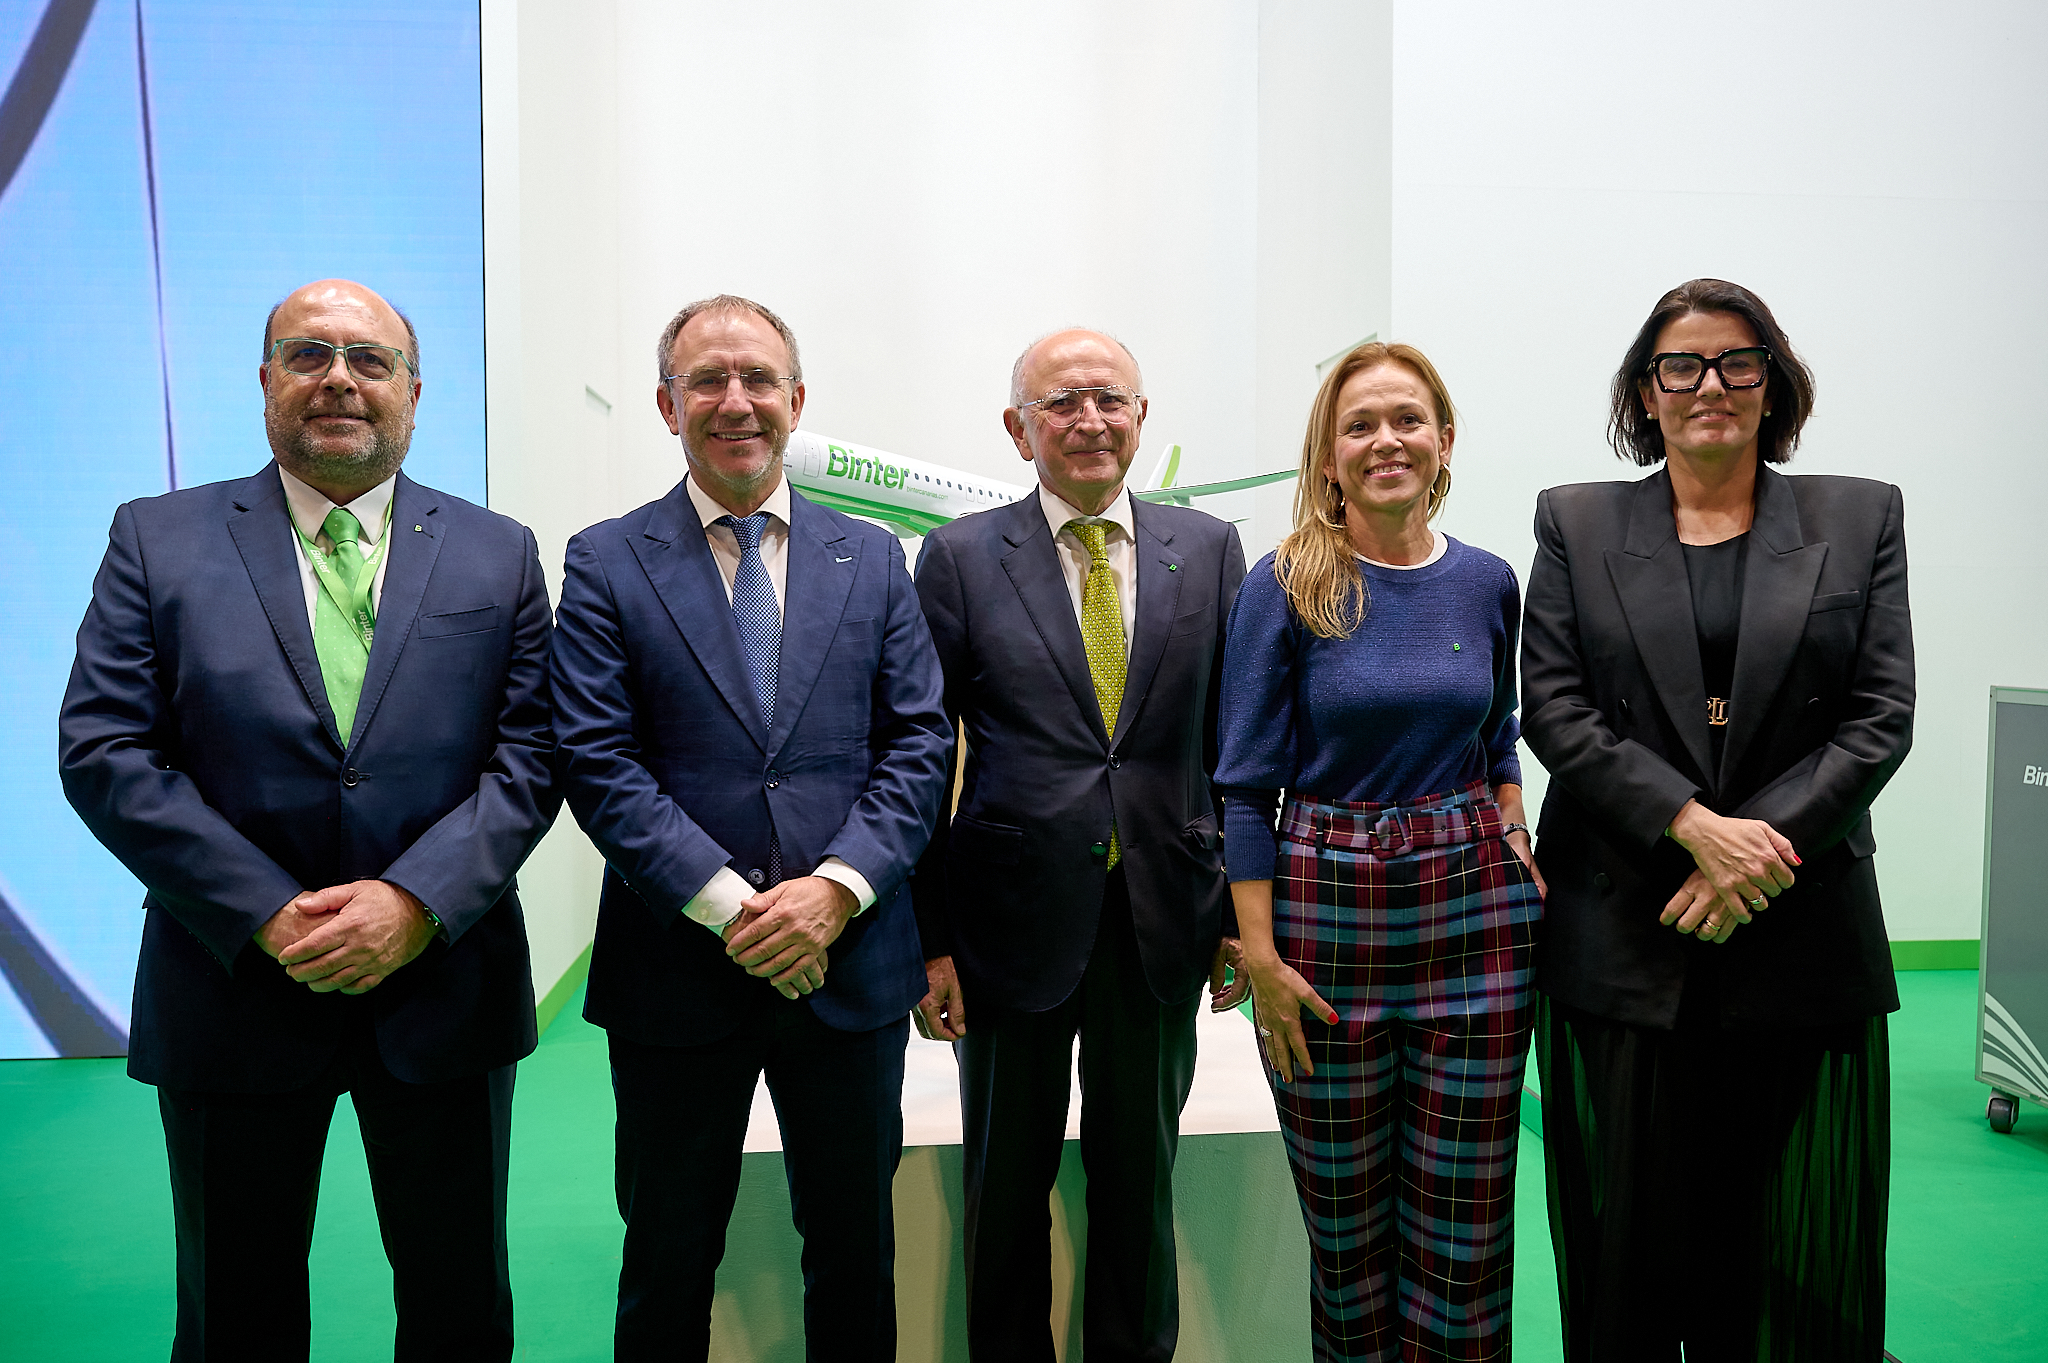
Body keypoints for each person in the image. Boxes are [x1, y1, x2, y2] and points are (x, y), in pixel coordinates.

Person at [58, 279, 558, 1361]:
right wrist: (268, 911)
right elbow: (105, 750)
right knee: (235, 1312)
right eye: (308, 354)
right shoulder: (156, 538)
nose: (339, 378)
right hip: (231, 983)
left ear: (413, 392)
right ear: (266, 381)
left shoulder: (499, 551)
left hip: (443, 985)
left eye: (370, 360)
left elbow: (531, 757)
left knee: (458, 1303)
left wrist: (416, 901)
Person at [549, 294, 951, 1363]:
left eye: (758, 379)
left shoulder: (872, 557)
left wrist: (836, 888)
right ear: (666, 404)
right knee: (668, 1255)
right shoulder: (605, 560)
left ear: (796, 400)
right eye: (707, 381)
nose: (735, 401)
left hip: (849, 963)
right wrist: (735, 907)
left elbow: (918, 742)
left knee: (855, 1254)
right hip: (677, 971)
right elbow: (596, 758)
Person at [1521, 278, 1913, 1360]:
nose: (1710, 385)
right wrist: (1692, 825)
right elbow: (1552, 708)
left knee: (1766, 1230)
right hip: (1627, 926)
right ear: (1645, 392)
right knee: (1631, 1239)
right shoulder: (1576, 520)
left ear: (1771, 383)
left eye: (1738, 362)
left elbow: (1879, 716)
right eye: (1680, 366)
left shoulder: (1858, 516)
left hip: (1797, 925)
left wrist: (1753, 852)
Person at [911, 327, 1247, 1362]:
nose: (1088, 419)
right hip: (1006, 923)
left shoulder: (1210, 550)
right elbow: (920, 752)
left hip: (1164, 915)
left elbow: (1234, 747)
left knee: (1139, 1181)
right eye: (1060, 402)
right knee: (1005, 1185)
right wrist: (930, 940)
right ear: (1019, 430)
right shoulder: (960, 558)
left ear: (1141, 418)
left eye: (1109, 398)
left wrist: (1242, 914)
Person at [1214, 341, 1544, 1360]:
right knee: (1346, 1231)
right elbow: (1243, 787)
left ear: (1443, 439)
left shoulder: (1487, 580)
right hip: (1323, 922)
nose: (1385, 440)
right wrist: (1260, 958)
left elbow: (1498, 731)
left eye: (1407, 419)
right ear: (1328, 457)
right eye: (1358, 425)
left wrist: (1513, 825)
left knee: (1465, 1229)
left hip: (1475, 917)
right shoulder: (1283, 583)